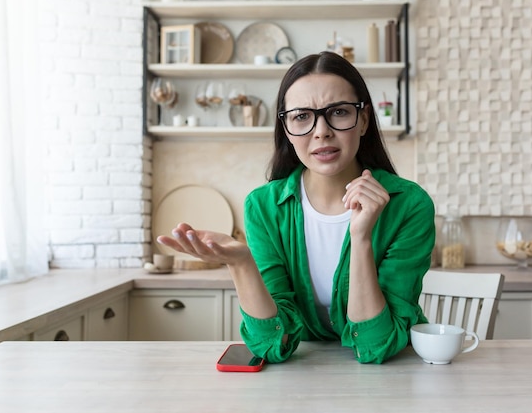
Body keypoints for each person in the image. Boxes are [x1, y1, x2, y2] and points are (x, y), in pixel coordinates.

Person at [157, 51, 435, 364]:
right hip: (302, 376)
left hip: (396, 377)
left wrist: (361, 238)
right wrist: (240, 263)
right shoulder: (263, 207)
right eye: (302, 116)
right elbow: (272, 344)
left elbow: (376, 344)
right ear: (287, 129)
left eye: (339, 112)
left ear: (364, 120)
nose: (321, 131)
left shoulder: (409, 204)